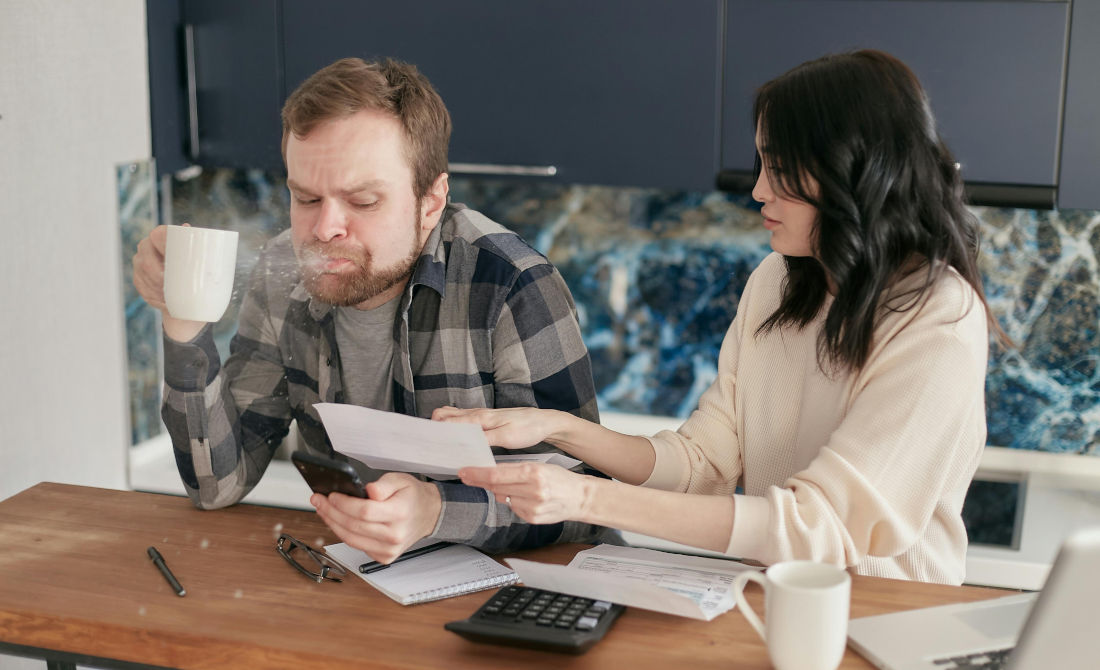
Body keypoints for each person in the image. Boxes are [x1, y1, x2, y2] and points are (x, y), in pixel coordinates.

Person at [437, 49, 1003, 585]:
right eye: (761, 165)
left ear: (851, 174)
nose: (758, 190)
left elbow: (817, 526)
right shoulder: (778, 281)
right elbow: (703, 461)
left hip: (890, 620)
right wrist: (556, 429)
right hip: (777, 599)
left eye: (780, 170)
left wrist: (585, 497)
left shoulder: (938, 320)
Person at [132, 57, 613, 563]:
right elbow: (215, 485)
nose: (324, 229)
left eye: (362, 201)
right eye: (306, 197)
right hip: (360, 585)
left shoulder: (512, 285)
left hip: (525, 594)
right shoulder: (283, 273)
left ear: (431, 202)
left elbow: (584, 502)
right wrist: (182, 320)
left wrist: (434, 510)